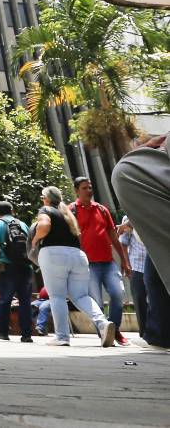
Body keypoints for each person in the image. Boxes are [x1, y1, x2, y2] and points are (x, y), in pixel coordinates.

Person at [33, 184, 115, 347]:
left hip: (54, 255)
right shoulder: (68, 214)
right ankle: (103, 323)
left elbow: (44, 226)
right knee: (81, 296)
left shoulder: (46, 211)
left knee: (57, 296)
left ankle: (62, 337)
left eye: (43, 198)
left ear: (47, 199)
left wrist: (35, 240)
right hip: (77, 256)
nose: (42, 201)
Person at [111, 133, 170, 349]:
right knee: (153, 282)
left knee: (153, 281)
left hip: (151, 244)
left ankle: (158, 335)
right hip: (150, 246)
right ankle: (158, 335)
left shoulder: (137, 170)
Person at [70, 177, 130, 346]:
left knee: (118, 293)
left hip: (108, 262)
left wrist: (124, 260)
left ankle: (115, 329)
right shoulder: (71, 211)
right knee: (96, 302)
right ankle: (104, 333)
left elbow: (113, 235)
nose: (89, 190)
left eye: (90, 187)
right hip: (87, 266)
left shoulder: (102, 210)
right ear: (77, 190)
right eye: (84, 188)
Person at [0, 200, 34, 342]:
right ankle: (26, 335)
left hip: (8, 267)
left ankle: (2, 332)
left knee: (5, 300)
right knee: (25, 301)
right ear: (12, 210)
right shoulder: (23, 224)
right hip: (26, 266)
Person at [118, 215, 148, 339]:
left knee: (158, 299)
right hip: (137, 265)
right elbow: (123, 243)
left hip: (157, 265)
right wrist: (127, 264)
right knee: (139, 299)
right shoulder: (128, 217)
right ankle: (145, 333)